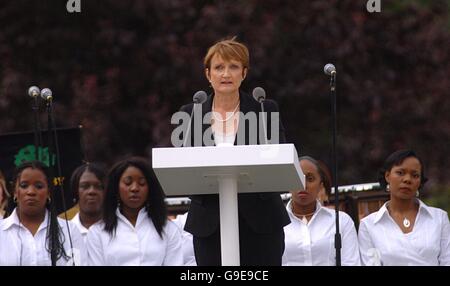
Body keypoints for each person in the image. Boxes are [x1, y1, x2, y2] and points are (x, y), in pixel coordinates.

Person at [177, 37, 289, 265]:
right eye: (219, 67)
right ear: (208, 74)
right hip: (210, 223)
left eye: (233, 67)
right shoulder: (190, 114)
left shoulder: (263, 109)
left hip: (261, 222)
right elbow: (183, 168)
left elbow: (279, 160)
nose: (226, 74)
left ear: (244, 73)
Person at [358, 149, 450, 266]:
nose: (407, 179)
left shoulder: (439, 218)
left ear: (420, 181)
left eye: (415, 175)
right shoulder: (369, 225)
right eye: (400, 173)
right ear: (387, 176)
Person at [86, 157, 183, 265]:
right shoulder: (97, 232)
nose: (135, 188)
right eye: (128, 183)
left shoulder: (168, 229)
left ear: (150, 189)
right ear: (116, 187)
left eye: (141, 183)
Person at [0, 161, 86, 266]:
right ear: (15, 192)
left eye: (39, 186)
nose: (31, 191)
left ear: (49, 192)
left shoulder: (69, 231)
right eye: (24, 185)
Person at [282, 156, 360, 266]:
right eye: (297, 177)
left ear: (320, 186)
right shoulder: (275, 223)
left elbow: (352, 263)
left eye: (310, 179)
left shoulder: (341, 221)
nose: (303, 184)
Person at [69, 162, 106, 244]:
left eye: (99, 186)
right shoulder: (66, 231)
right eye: (85, 186)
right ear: (76, 191)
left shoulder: (120, 230)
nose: (92, 191)